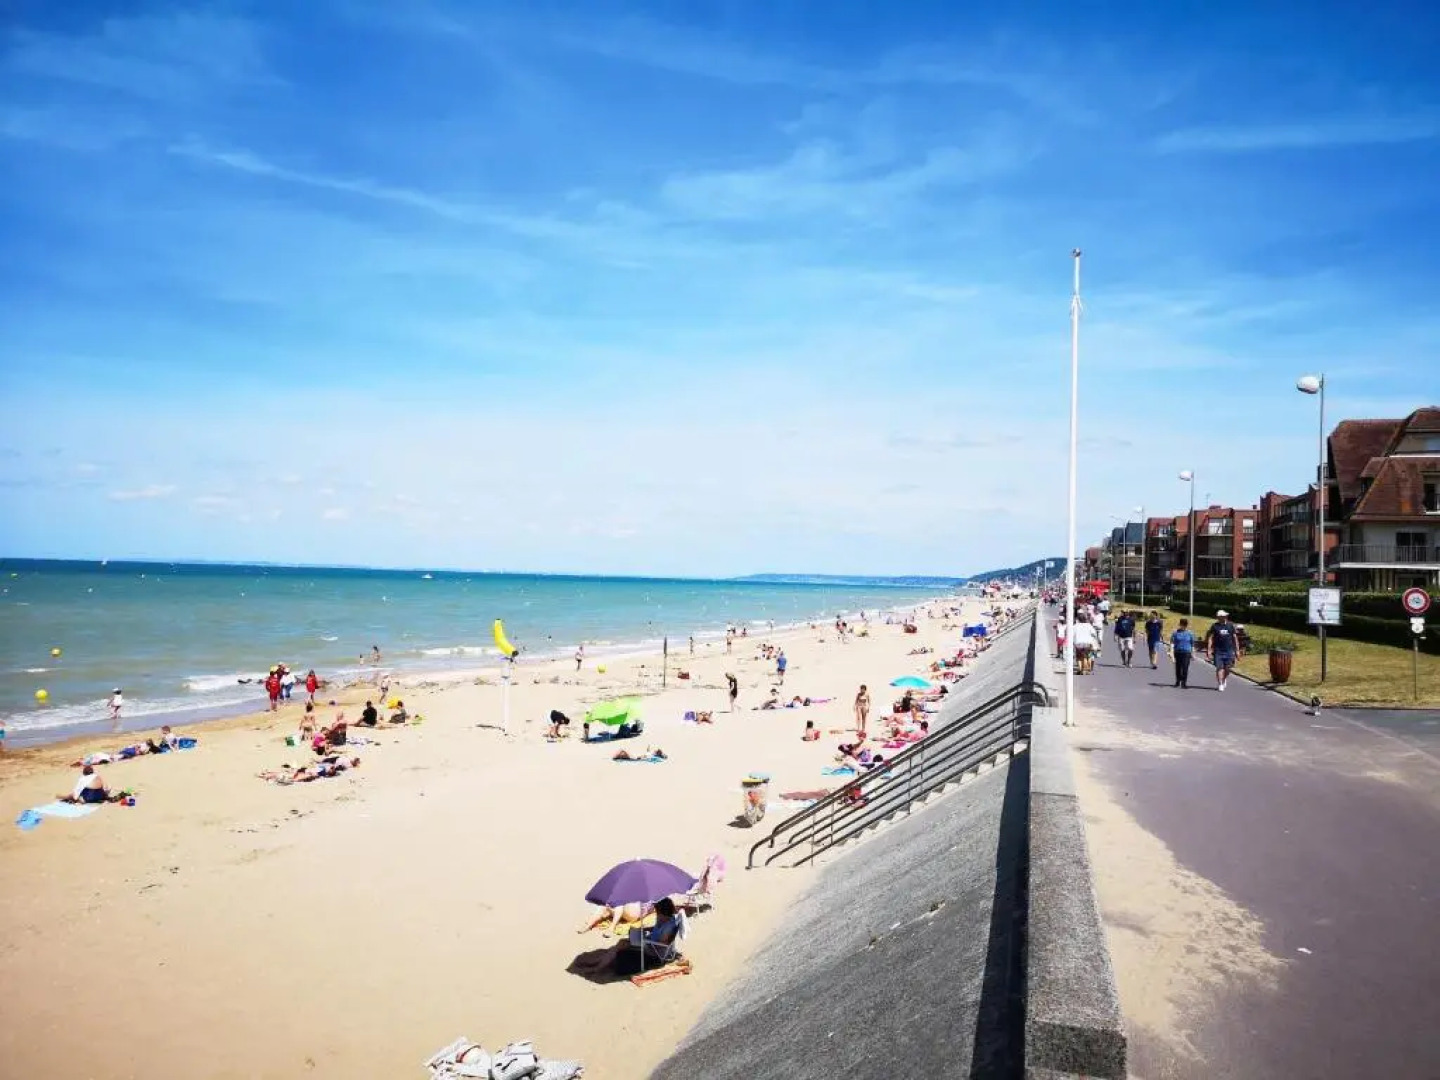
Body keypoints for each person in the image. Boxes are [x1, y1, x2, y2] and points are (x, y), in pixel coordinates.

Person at [1206, 610, 1244, 691]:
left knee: (1228, 668)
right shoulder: (1215, 626)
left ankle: (1223, 679)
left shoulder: (1230, 625)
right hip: (1218, 651)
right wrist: (1209, 650)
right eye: (1221, 616)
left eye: (1224, 616)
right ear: (1218, 617)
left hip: (1229, 651)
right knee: (1220, 668)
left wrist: (1237, 650)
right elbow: (1210, 638)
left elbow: (1235, 638)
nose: (1223, 617)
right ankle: (1220, 684)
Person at [1170, 619, 1196, 689]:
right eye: (1182, 624)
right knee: (1178, 668)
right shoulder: (1175, 633)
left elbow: (1192, 644)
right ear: (1180, 624)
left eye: (1185, 624)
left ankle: (1184, 683)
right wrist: (1171, 653)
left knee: (1185, 668)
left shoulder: (1190, 633)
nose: (1183, 626)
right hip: (1178, 652)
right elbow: (1172, 643)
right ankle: (1178, 681)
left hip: (1186, 653)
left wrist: (1193, 654)